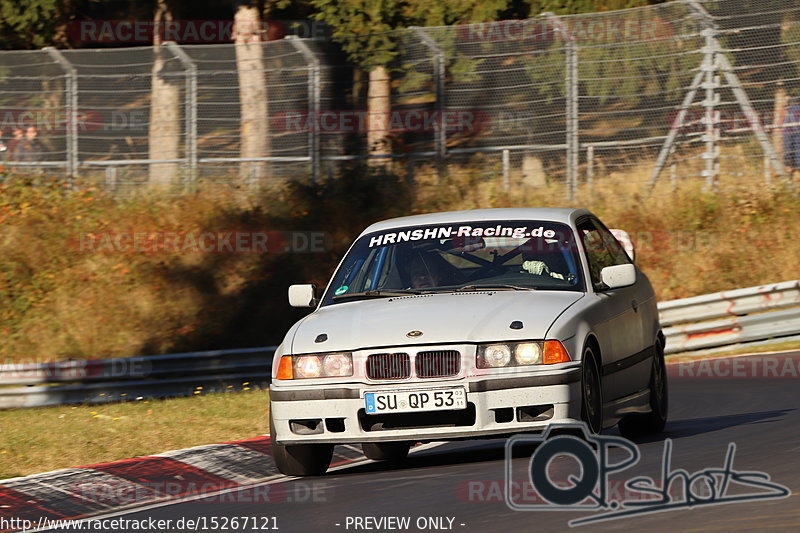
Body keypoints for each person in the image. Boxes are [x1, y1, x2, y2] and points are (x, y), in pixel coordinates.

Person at [782, 97, 800, 173]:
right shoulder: (791, 110)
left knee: (788, 149)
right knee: (797, 149)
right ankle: (797, 166)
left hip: (788, 131)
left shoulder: (788, 111)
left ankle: (789, 166)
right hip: (796, 131)